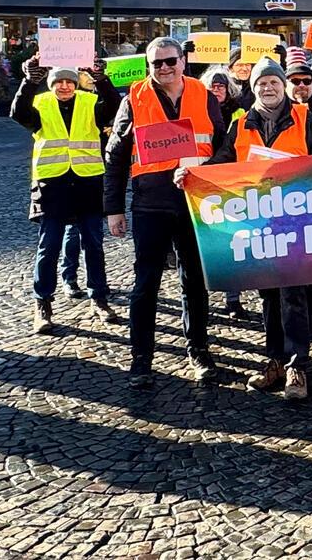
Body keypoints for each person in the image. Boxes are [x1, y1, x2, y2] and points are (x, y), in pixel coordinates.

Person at [104, 37, 224, 389]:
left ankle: (198, 348)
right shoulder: (134, 98)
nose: (164, 68)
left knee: (194, 281)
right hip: (150, 204)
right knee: (146, 283)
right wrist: (113, 208)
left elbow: (223, 146)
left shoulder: (203, 96)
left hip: (193, 201)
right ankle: (141, 357)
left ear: (183, 61)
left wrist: (209, 170)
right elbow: (115, 156)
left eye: (170, 61)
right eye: (156, 63)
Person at [207, 58, 312, 399]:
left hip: (295, 224)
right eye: (261, 83)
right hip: (258, 224)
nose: (268, 87)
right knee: (268, 296)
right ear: (252, 87)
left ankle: (296, 367)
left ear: (282, 85)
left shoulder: (305, 119)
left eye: (273, 82)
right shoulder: (240, 124)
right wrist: (195, 174)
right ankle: (274, 360)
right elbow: (223, 162)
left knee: (293, 296)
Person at [11, 55, 120, 333]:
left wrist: (101, 78)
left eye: (69, 81)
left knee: (94, 245)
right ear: (51, 84)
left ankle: (99, 298)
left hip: (87, 183)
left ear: (75, 83)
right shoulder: (41, 103)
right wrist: (28, 81)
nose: (64, 86)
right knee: (49, 247)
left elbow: (115, 108)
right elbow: (18, 113)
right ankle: (43, 303)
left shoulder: (89, 102)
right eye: (58, 81)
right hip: (53, 186)